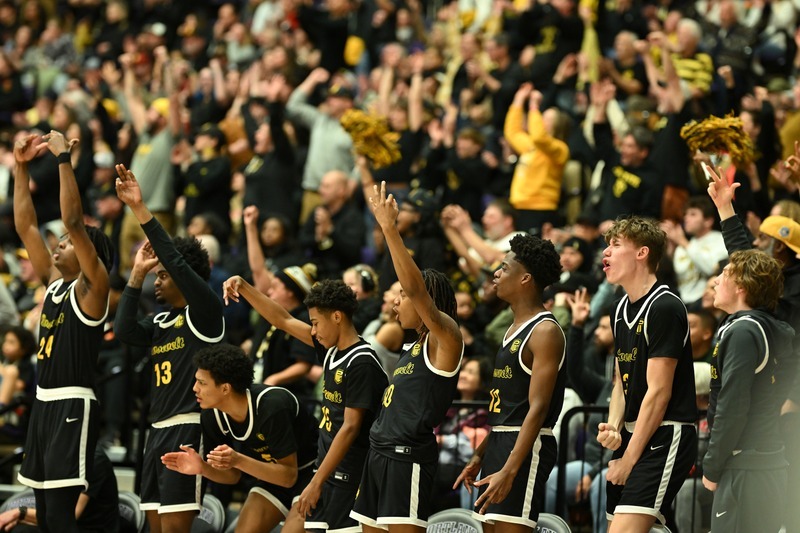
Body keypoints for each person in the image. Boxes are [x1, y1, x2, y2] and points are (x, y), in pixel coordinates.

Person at [222, 277, 388, 533]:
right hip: (328, 472)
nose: (312, 330)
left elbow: (350, 428)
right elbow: (283, 320)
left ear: (336, 317)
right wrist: (244, 288)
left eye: (315, 323)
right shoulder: (332, 351)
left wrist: (315, 481)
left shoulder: (362, 362)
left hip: (353, 476)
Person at [113, 164, 225, 533]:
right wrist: (137, 274)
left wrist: (140, 210)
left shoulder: (205, 313)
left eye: (162, 275)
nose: (157, 282)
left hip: (187, 428)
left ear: (181, 276)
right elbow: (124, 329)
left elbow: (175, 260)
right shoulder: (161, 322)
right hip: (156, 430)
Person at [13, 132, 113, 533]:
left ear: (92, 256)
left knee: (59, 517)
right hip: (43, 402)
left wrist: (63, 161)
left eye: (70, 244)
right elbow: (26, 225)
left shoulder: (93, 290)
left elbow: (74, 220)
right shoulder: (54, 286)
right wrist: (20, 167)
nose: (60, 244)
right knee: (47, 518)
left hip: (72, 404)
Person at [350, 181, 464, 531]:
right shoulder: (413, 346)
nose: (397, 301)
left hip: (406, 458)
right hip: (379, 454)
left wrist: (389, 228)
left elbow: (415, 287)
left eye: (403, 295)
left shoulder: (446, 339)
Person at [455, 233, 566, 531]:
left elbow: (537, 408)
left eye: (504, 268)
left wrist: (510, 469)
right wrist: (480, 454)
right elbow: (508, 408)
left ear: (525, 279)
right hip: (501, 442)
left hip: (525, 449)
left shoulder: (544, 331)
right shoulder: (511, 329)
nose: (496, 273)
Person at [597, 216, 698, 533]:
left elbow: (659, 394)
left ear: (642, 253)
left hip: (666, 434)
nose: (606, 253)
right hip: (632, 433)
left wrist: (629, 459)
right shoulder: (618, 306)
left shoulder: (665, 306)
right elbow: (620, 379)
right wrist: (614, 427)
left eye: (615, 245)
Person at [161, 344, 318, 533]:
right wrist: (202, 468)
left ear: (225, 388)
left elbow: (289, 476)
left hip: (313, 474)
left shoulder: (272, 407)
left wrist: (237, 459)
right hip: (272, 475)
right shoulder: (212, 416)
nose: (195, 388)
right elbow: (233, 476)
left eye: (202, 383)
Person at [701, 250, 794, 532]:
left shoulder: (744, 331)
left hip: (746, 463)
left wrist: (712, 465)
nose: (716, 281)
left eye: (724, 274)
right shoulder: (760, 327)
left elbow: (732, 405)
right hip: (760, 460)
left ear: (742, 286)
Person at [0, 447, 120, 533]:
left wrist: (19, 513)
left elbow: (69, 515)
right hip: (64, 524)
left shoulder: (93, 459)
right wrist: (21, 517)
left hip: (91, 528)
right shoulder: (57, 454)